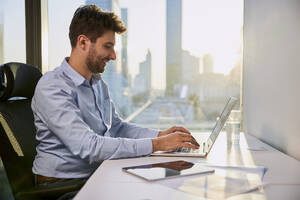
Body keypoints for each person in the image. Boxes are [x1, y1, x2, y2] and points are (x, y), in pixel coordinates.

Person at [32, 5, 199, 185]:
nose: (113, 56)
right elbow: (89, 146)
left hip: (100, 174)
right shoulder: (52, 86)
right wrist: (157, 145)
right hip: (62, 185)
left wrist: (159, 135)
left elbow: (117, 128)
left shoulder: (97, 83)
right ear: (83, 42)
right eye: (108, 46)